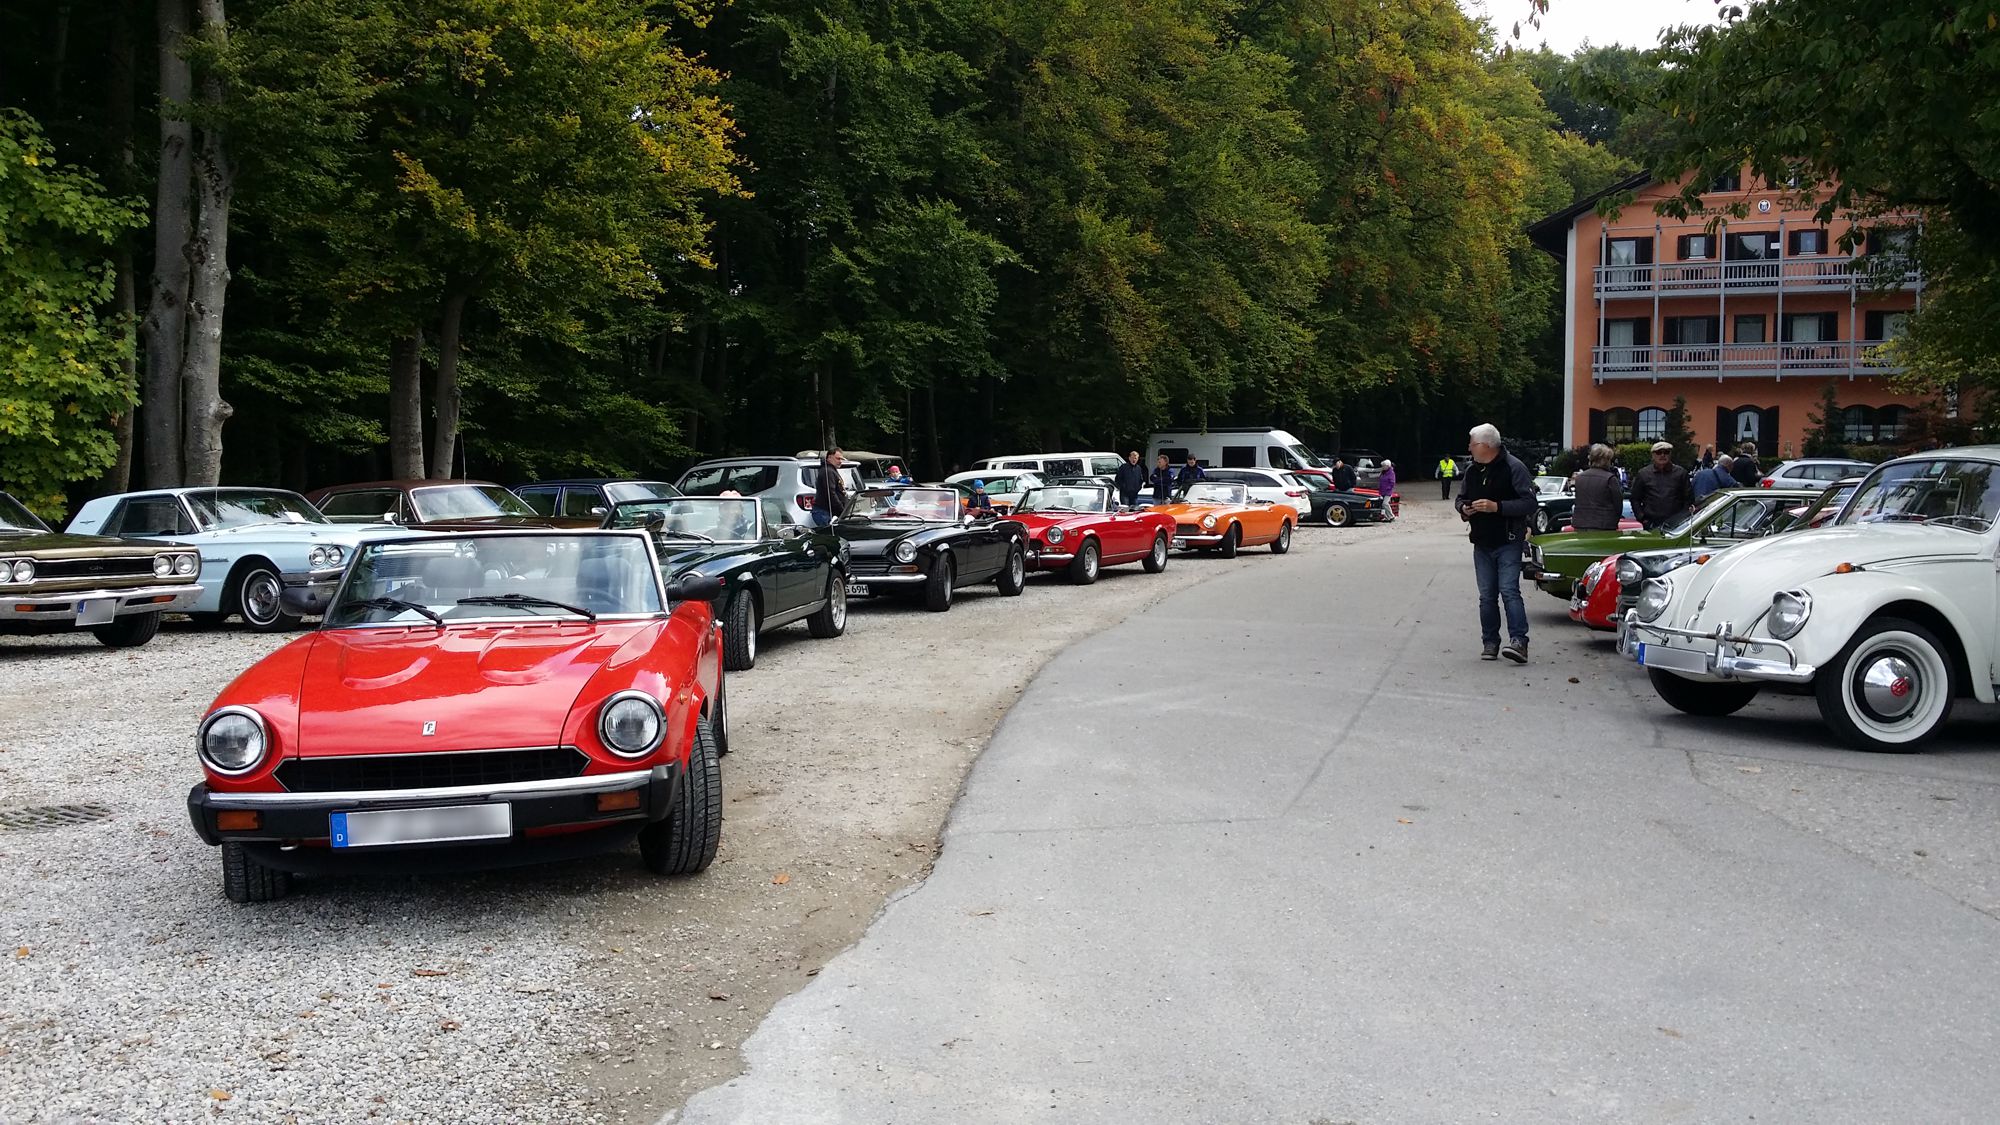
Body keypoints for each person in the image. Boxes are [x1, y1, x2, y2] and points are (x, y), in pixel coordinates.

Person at [1454, 423, 1537, 663]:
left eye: (1472, 443)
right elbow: (1460, 498)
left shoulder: (1514, 468)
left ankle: (1519, 642)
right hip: (1482, 541)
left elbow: (1529, 503)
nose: (1469, 448)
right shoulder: (1472, 470)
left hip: (1508, 540)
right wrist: (1464, 509)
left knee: (1509, 591)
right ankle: (1490, 642)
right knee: (1486, 595)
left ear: (1485, 445)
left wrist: (1496, 507)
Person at [1631, 441, 1693, 530]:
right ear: (1653, 455)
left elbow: (1689, 499)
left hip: (1676, 525)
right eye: (1659, 452)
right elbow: (1635, 499)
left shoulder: (1681, 473)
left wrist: (1683, 518)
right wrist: (1642, 518)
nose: (1662, 455)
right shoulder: (1643, 474)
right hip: (1651, 523)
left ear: (1670, 454)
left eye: (1666, 452)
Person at [1570, 444, 1624, 531]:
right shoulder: (1610, 478)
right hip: (1604, 524)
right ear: (1605, 460)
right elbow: (1618, 503)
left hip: (1580, 523)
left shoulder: (1580, 478)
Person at [811, 448, 848, 527]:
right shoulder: (828, 471)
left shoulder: (831, 470)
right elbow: (830, 493)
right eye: (838, 458)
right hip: (824, 513)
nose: (840, 461)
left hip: (829, 513)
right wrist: (842, 510)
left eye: (841, 459)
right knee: (829, 536)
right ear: (829, 457)